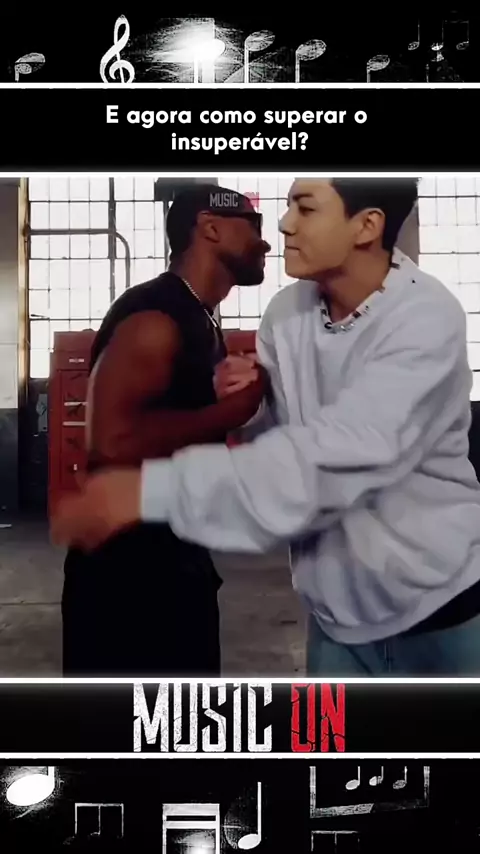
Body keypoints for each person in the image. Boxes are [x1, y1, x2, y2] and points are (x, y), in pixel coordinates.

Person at [53, 177, 480, 676]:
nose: (281, 226)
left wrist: (151, 491)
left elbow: (341, 455)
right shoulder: (284, 314)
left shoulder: (425, 317)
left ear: (366, 226)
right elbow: (276, 431)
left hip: (441, 608)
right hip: (335, 621)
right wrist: (252, 399)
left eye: (305, 208)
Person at [60, 183, 270, 676]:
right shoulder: (156, 316)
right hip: (128, 583)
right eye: (252, 225)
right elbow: (111, 443)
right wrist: (230, 412)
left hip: (175, 562)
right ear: (210, 227)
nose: (265, 241)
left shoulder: (200, 317)